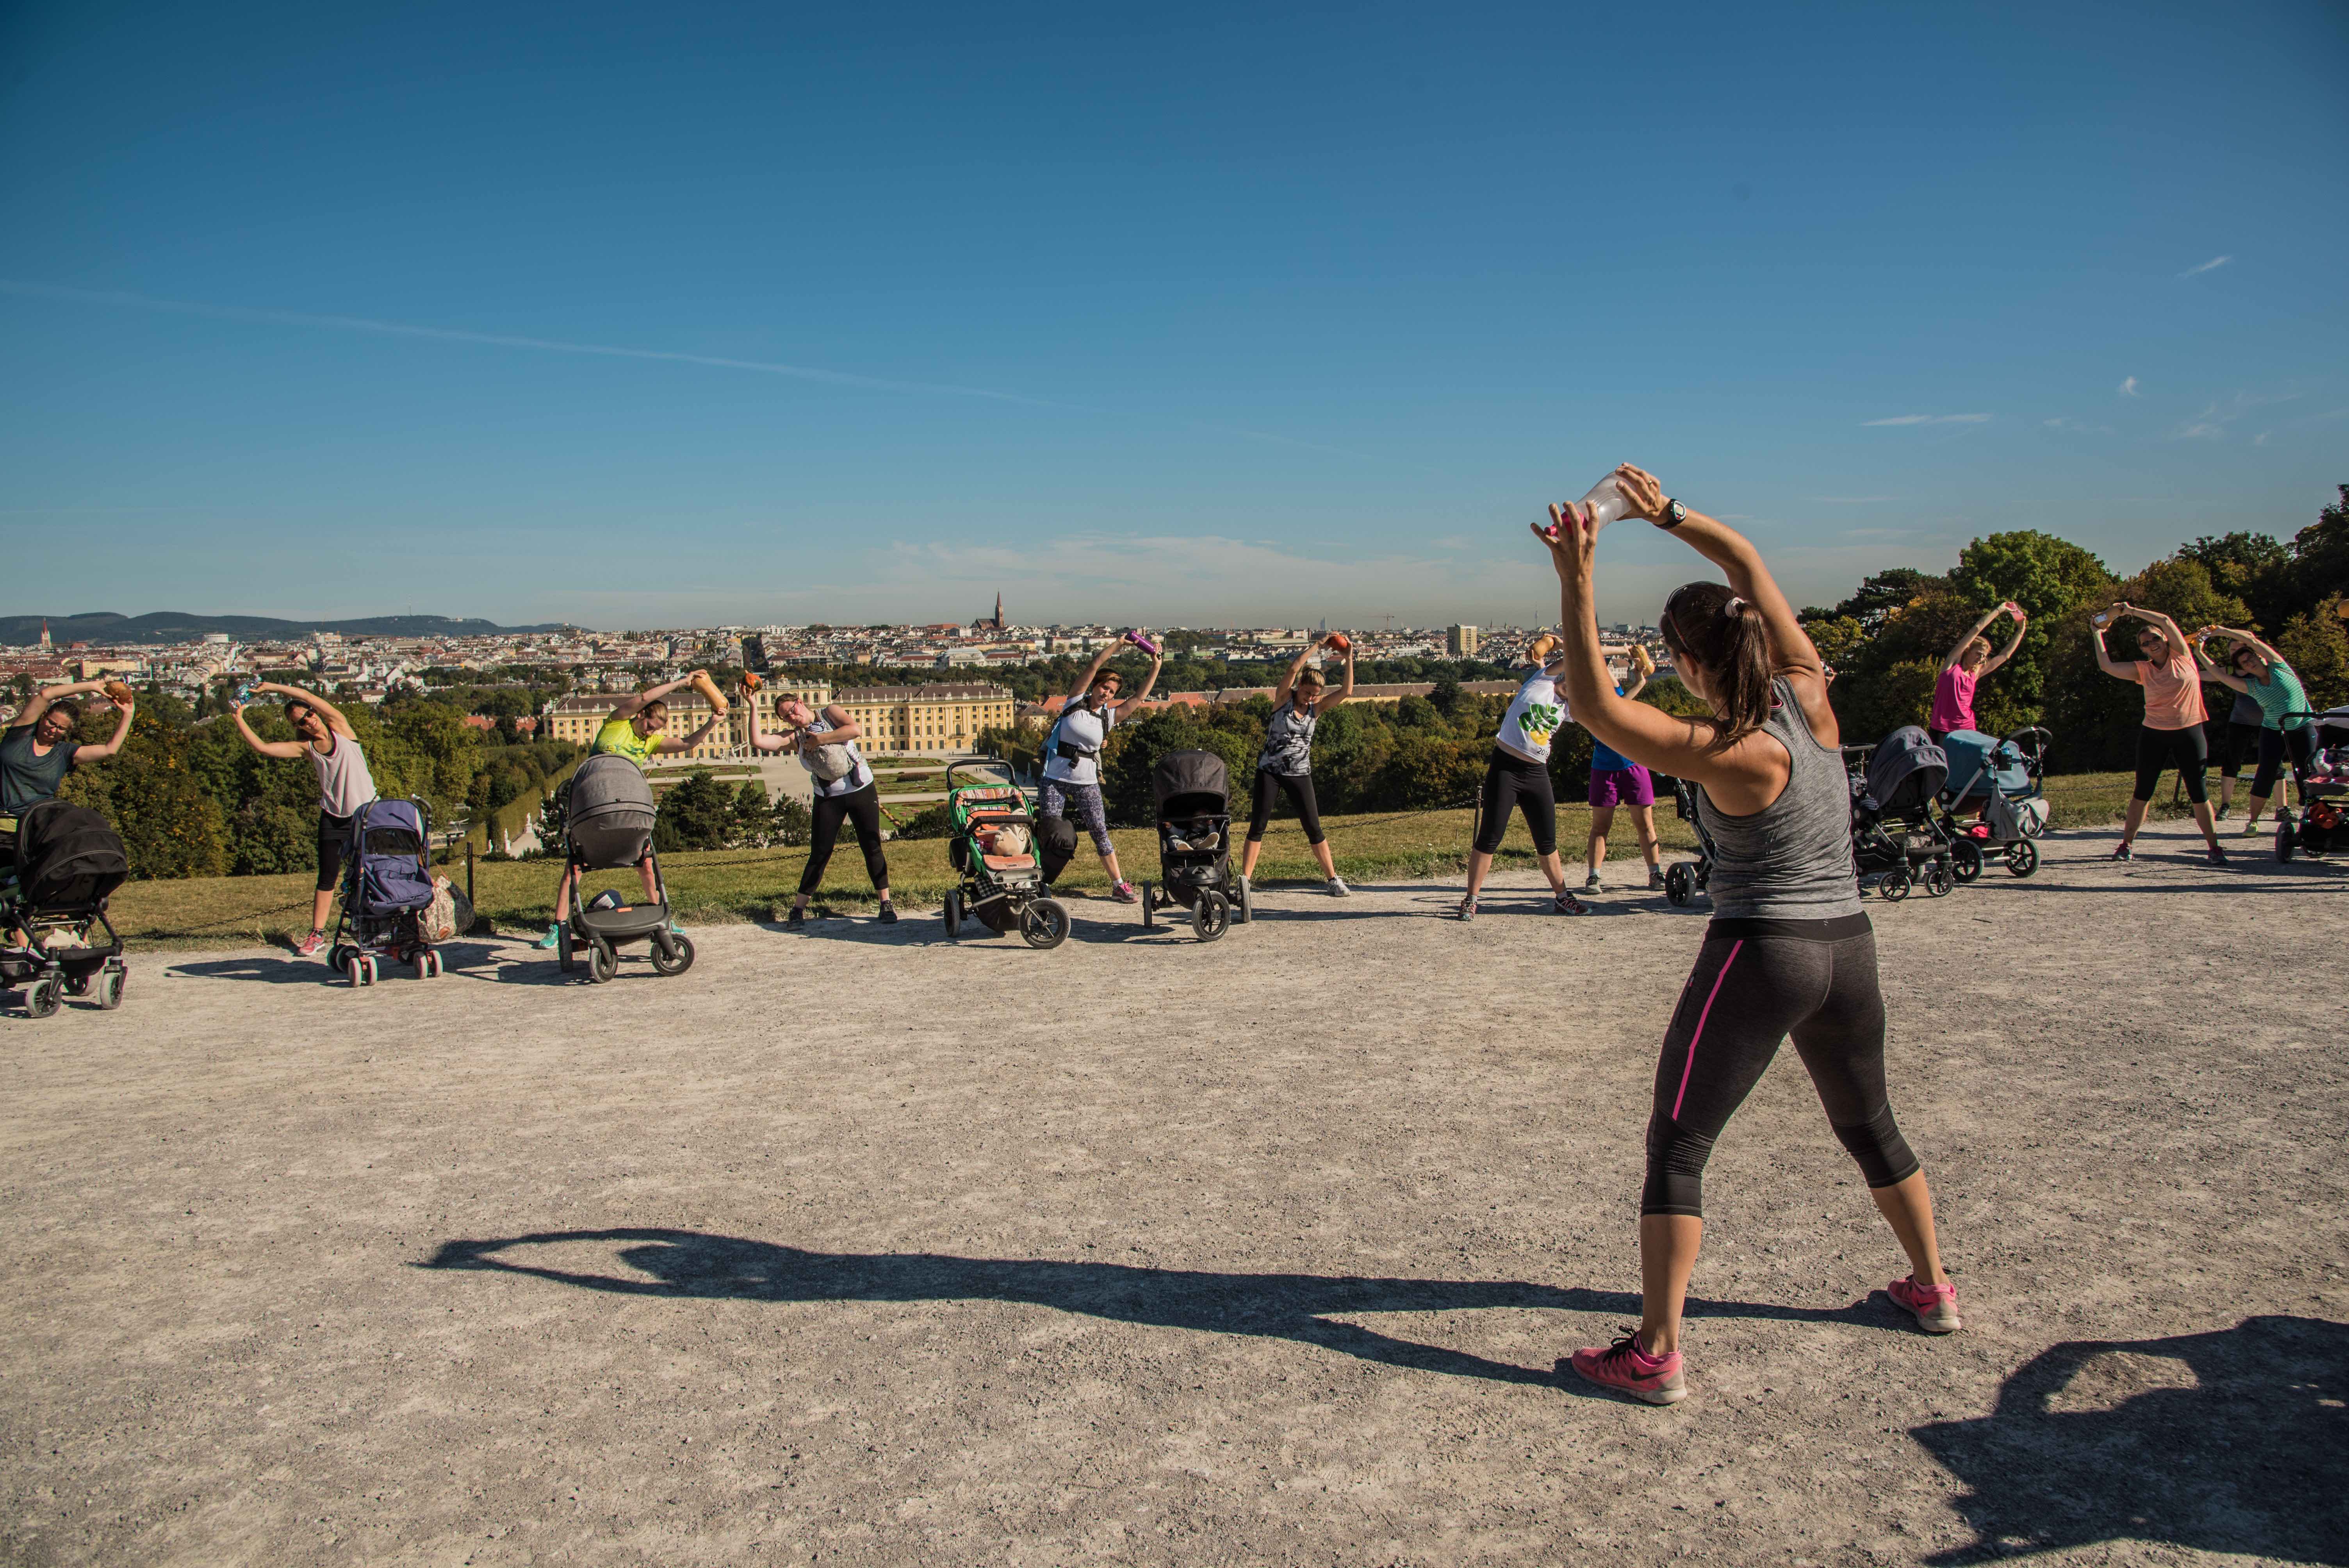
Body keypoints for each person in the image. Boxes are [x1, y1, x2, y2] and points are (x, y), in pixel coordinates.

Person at [1535, 464, 1959, 1408]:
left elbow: (1598, 707)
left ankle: (1654, 1351)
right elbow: (1748, 559)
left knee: (1677, 1148)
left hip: (1762, 948)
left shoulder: (1728, 749)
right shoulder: (1808, 696)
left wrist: (1578, 570)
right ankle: (1931, 1287)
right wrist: (1671, 514)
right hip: (1848, 941)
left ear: (1687, 664)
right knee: (1869, 1122)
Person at [535, 675, 720, 948]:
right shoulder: (617, 723)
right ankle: (558, 925)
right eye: (649, 725)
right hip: (594, 802)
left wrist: (712, 723)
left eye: (655, 730)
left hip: (626, 806)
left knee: (646, 865)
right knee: (573, 870)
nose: (649, 732)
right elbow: (645, 697)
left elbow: (686, 744)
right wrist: (680, 684)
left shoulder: (650, 742)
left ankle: (662, 917)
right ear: (641, 714)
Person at [228, 683, 378, 957]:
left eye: (308, 715)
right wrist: (239, 718)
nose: (308, 721)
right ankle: (317, 933)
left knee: (370, 871)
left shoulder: (341, 728)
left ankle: (372, 922)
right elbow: (263, 748)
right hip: (333, 818)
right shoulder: (307, 748)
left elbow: (308, 696)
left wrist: (268, 687)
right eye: (300, 722)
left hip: (367, 815)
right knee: (327, 877)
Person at [1455, 634, 1583, 920]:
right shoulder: (1542, 680)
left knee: (1547, 841)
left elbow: (1609, 708)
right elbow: (1581, 652)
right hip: (1506, 768)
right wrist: (1561, 643)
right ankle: (1471, 899)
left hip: (1537, 773)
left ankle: (1563, 897)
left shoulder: (1571, 709)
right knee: (1489, 837)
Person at [2090, 604, 2225, 864]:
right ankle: (2126, 845)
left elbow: (2164, 618)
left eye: (2154, 639)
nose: (2151, 644)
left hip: (2190, 732)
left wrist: (2129, 611)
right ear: (2140, 649)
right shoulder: (2143, 669)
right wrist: (2097, 632)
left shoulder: (2183, 656)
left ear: (2165, 639)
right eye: (2144, 643)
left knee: (2199, 793)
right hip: (2154, 735)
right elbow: (2107, 666)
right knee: (2142, 792)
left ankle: (2215, 848)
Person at [746, 692, 894, 927]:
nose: (792, 717)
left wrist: (820, 740)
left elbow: (854, 730)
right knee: (819, 853)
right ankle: (798, 910)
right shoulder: (795, 738)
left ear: (800, 702)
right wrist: (753, 705)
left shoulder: (829, 713)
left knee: (872, 846)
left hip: (860, 789)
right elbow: (758, 741)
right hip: (828, 797)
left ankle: (886, 904)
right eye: (786, 717)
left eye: (792, 710)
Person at [1039, 637, 1162, 902]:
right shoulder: (1074, 703)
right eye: (1104, 688)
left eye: (1112, 693)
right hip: (1055, 778)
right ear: (1095, 686)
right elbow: (1094, 664)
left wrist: (1155, 667)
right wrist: (1118, 645)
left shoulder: (1108, 717)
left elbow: (1140, 698)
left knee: (1100, 833)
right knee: (1049, 832)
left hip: (1087, 782)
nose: (1106, 694)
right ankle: (1037, 882)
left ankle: (1118, 884)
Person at [1239, 635, 1355, 896]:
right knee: (1258, 825)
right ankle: (1245, 881)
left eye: (1315, 695)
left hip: (1300, 773)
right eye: (1307, 693)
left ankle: (1333, 879)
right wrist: (1317, 646)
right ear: (1299, 686)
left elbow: (1347, 691)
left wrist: (1349, 659)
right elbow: (1293, 669)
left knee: (1313, 827)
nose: (1310, 699)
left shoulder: (1316, 709)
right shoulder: (1283, 699)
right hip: (1270, 772)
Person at [2, 677, 134, 880]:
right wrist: (92, 686)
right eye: (51, 722)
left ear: (68, 731)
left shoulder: (65, 753)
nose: (52, 730)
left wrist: (128, 714)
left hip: (34, 830)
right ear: (43, 716)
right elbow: (46, 695)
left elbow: (110, 750)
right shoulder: (20, 734)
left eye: (60, 728)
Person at [2196, 626, 2312, 837]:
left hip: (2303, 726)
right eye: (2244, 663)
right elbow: (2217, 674)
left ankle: (2314, 818)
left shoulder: (2279, 666)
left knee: (2310, 773)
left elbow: (2250, 638)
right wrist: (2199, 652)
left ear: (2259, 657)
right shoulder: (2250, 686)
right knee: (2265, 774)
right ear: (2244, 669)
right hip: (2274, 729)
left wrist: (2220, 631)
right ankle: (2253, 821)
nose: (2249, 662)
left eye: (2251, 657)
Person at [1584, 644, 1665, 893]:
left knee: (1645, 824)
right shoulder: (1586, 695)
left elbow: (1596, 653)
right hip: (1605, 768)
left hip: (1633, 764)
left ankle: (1655, 873)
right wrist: (1639, 685)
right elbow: (1614, 716)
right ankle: (1594, 877)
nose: (1605, 671)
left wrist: (1628, 657)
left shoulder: (1612, 687)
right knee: (1600, 826)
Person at [1928, 602, 2026, 745]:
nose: (1980, 659)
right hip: (1941, 728)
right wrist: (1999, 611)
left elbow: (2005, 656)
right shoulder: (1952, 664)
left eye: (1983, 656)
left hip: (1966, 728)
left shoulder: (1976, 673)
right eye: (1978, 654)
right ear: (1968, 651)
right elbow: (1977, 629)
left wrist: (2020, 630)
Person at [2213, 682, 2266, 820]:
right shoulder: (2236, 672)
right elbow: (2216, 674)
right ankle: (2226, 805)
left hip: (2268, 721)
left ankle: (2282, 807)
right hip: (2239, 722)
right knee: (2231, 761)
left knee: (2274, 763)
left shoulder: (2270, 671)